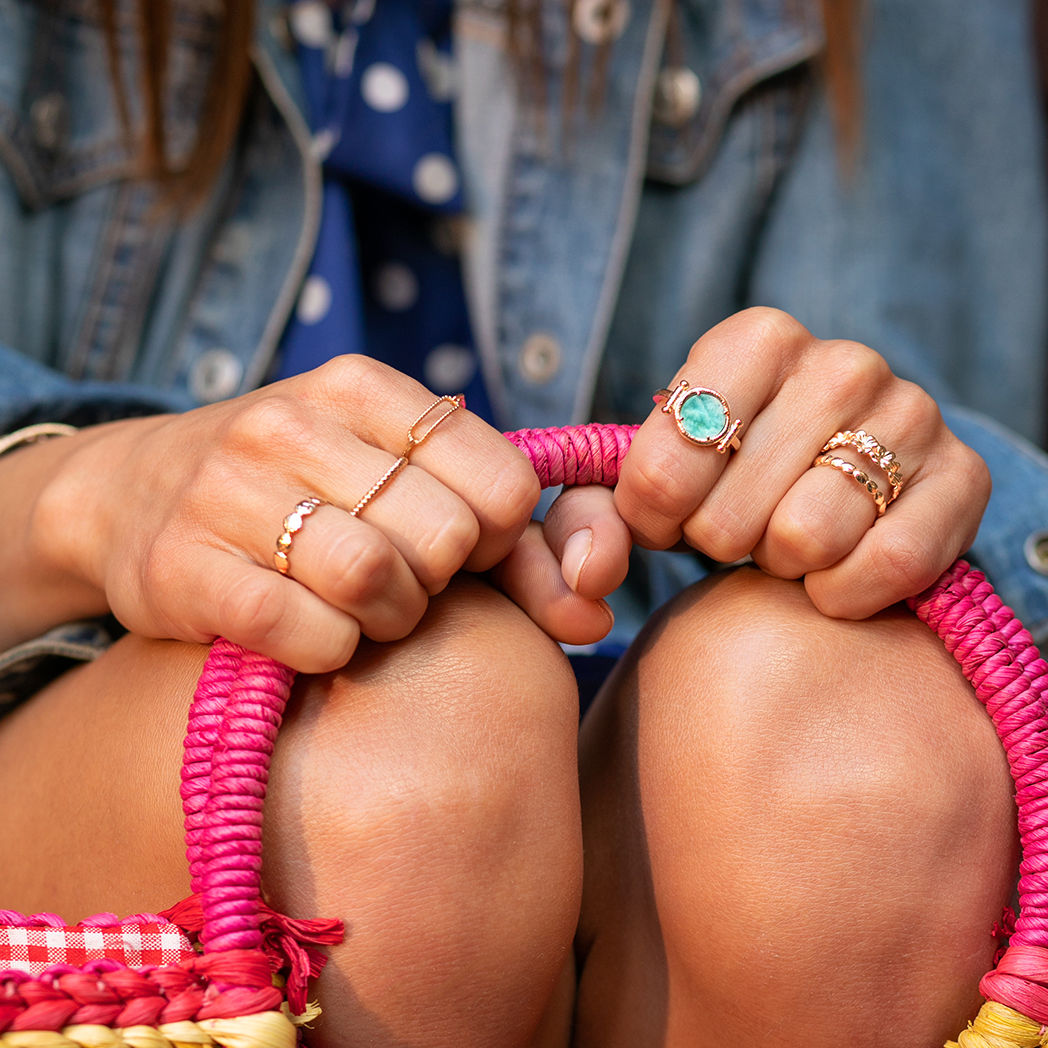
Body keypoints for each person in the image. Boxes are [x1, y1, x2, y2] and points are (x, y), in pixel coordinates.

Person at [0, 0, 1044, 1045]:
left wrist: (869, 467)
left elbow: (948, 458)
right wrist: (87, 491)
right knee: (407, 764)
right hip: (95, 684)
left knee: (844, 755)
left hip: (677, 722)